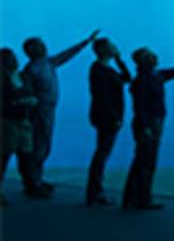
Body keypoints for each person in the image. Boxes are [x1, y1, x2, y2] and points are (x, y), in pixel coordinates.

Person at [123, 44, 174, 211]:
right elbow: (140, 106)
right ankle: (141, 199)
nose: (157, 58)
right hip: (148, 124)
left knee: (144, 161)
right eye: (152, 56)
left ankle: (135, 197)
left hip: (155, 122)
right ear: (145, 60)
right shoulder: (142, 80)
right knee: (146, 162)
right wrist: (146, 126)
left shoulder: (156, 76)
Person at [18, 30, 99, 196]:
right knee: (38, 147)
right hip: (39, 113)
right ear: (31, 51)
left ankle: (36, 180)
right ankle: (33, 183)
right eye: (39, 46)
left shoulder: (48, 62)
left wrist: (85, 42)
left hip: (47, 111)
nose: (44, 47)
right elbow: (26, 94)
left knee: (43, 146)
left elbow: (67, 55)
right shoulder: (31, 70)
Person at [86, 38, 132, 206]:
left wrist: (120, 61)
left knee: (102, 153)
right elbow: (102, 97)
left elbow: (127, 78)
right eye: (113, 46)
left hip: (109, 117)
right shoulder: (98, 69)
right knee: (102, 154)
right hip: (107, 118)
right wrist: (114, 117)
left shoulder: (107, 69)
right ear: (104, 49)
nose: (116, 47)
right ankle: (95, 192)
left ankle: (96, 191)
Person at [1, 48, 41, 205]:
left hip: (24, 122)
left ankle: (31, 185)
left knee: (26, 155)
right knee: (4, 157)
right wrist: (18, 103)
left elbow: (30, 92)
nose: (13, 61)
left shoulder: (23, 76)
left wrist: (32, 100)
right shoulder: (3, 79)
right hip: (8, 122)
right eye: (9, 59)